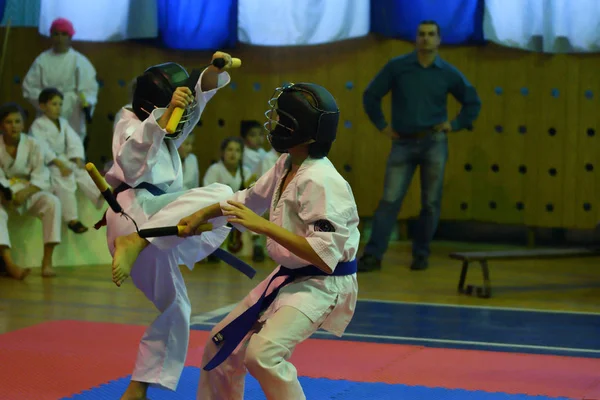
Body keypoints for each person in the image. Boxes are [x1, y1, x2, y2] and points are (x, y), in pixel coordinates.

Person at [179, 82, 360, 399]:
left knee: (262, 355)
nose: (274, 126)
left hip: (321, 284)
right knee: (220, 346)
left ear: (298, 130)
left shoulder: (322, 181)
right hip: (288, 276)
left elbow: (323, 257)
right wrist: (200, 216)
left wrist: (264, 227)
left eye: (281, 121)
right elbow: (248, 200)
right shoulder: (287, 164)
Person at [102, 52, 238, 400]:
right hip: (133, 220)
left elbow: (193, 107)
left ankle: (137, 388)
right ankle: (139, 242)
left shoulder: (166, 133)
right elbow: (131, 164)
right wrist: (162, 120)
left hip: (153, 224)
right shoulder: (130, 123)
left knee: (178, 309)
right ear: (153, 109)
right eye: (171, 111)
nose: (181, 120)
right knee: (221, 192)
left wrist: (211, 74)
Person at [359, 20, 481, 272]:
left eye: (431, 34)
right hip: (402, 142)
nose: (425, 38)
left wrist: (454, 124)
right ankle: (373, 255)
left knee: (431, 203)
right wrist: (382, 126)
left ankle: (421, 254)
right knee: (390, 200)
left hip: (434, 142)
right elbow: (371, 96)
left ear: (439, 40)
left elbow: (472, 102)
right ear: (416, 39)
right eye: (421, 34)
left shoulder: (447, 72)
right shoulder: (398, 67)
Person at [29, 87, 104, 233]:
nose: (58, 108)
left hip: (64, 159)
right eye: (54, 104)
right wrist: (59, 163)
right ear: (42, 106)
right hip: (47, 164)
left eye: (60, 104)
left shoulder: (62, 122)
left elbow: (74, 141)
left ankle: (99, 194)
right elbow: (41, 148)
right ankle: (72, 219)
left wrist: (77, 158)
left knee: (82, 172)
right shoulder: (38, 125)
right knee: (66, 176)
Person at [0, 102, 62, 278]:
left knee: (52, 202)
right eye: (9, 122)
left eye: (17, 121)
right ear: (1, 125)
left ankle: (47, 261)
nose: (14, 126)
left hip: (29, 191)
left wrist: (25, 192)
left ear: (23, 124)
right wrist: (6, 193)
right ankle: (9, 264)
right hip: (4, 195)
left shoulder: (33, 145)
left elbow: (41, 176)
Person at [22, 17, 98, 147]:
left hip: (72, 109)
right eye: (56, 34)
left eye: (64, 34)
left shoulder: (79, 61)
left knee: (72, 146)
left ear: (70, 37)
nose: (59, 38)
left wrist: (86, 102)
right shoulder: (42, 60)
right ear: (51, 36)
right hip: (47, 109)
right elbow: (29, 87)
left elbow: (89, 89)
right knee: (43, 146)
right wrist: (46, 103)